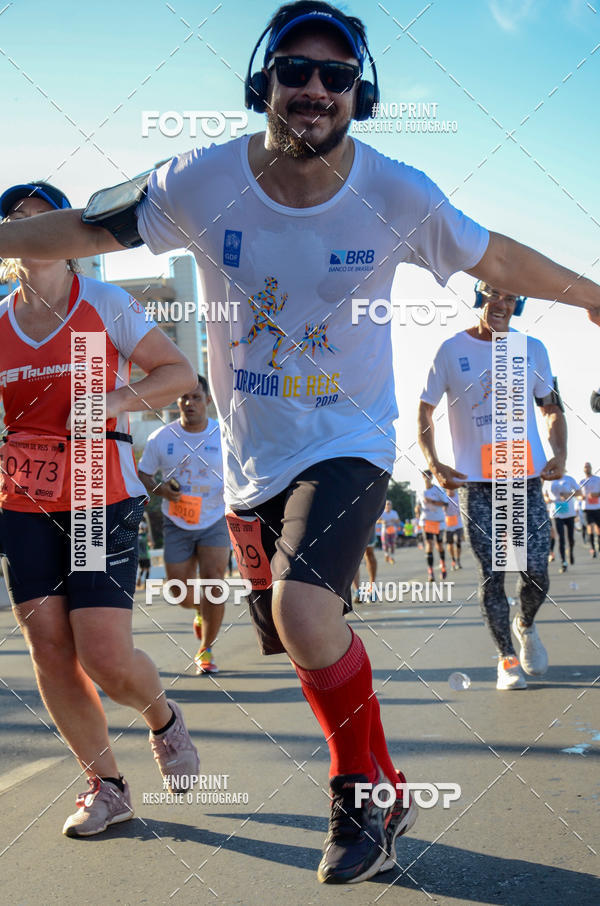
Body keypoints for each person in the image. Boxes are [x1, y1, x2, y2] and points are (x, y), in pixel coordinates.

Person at [3, 0, 600, 883]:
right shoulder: (196, 181)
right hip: (252, 460)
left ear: (360, 94)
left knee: (303, 611)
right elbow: (90, 227)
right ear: (264, 83)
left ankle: (357, 795)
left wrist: (591, 293)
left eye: (337, 76)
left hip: (351, 438)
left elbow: (497, 262)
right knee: (296, 635)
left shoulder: (398, 192)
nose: (316, 89)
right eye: (296, 70)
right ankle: (388, 785)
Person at [0, 181, 199, 838]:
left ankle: (163, 718)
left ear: (67, 236)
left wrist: (113, 403)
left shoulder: (105, 304)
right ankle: (107, 786)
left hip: (96, 489)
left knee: (105, 658)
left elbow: (178, 376)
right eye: (14, 222)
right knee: (51, 651)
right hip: (23, 499)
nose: (29, 231)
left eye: (42, 220)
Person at [419, 280, 568, 691]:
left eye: (509, 297)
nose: (499, 303)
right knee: (494, 573)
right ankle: (506, 660)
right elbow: (425, 409)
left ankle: (525, 623)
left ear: (517, 304)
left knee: (535, 570)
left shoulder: (531, 348)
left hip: (522, 477)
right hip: (477, 482)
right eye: (492, 294)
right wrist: (434, 462)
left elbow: (552, 406)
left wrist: (560, 451)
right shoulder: (452, 350)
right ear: (478, 297)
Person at [138, 377, 229, 674]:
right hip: (177, 521)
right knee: (178, 592)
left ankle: (206, 649)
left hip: (215, 517)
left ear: (208, 400)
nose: (189, 403)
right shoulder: (161, 438)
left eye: (196, 397)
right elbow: (144, 474)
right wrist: (162, 490)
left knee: (214, 581)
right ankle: (200, 611)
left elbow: (243, 470)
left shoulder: (224, 435)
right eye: (183, 398)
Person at [415, 470, 448, 580]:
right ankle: (431, 572)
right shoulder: (420, 490)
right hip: (426, 521)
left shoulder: (438, 490)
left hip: (438, 521)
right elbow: (418, 504)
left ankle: (443, 565)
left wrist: (432, 502)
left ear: (432, 477)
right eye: (424, 475)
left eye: (429, 476)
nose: (426, 477)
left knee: (439, 545)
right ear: (422, 477)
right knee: (429, 545)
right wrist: (417, 509)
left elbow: (445, 504)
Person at [548, 474, 579, 572]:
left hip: (569, 513)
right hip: (557, 513)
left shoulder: (569, 479)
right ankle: (563, 562)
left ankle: (570, 552)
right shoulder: (549, 481)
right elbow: (544, 495)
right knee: (561, 538)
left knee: (570, 538)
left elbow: (580, 492)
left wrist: (569, 494)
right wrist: (548, 499)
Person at [578, 462, 600, 558]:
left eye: (588, 467)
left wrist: (596, 494)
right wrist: (581, 497)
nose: (587, 468)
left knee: (598, 528)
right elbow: (577, 495)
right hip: (586, 508)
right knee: (589, 527)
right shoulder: (582, 482)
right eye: (585, 467)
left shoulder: (597, 479)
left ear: (591, 468)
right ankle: (592, 548)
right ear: (583, 469)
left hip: (597, 507)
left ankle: (598, 545)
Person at [352, 525, 378, 603]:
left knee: (369, 553)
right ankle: (357, 592)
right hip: (349, 520)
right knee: (353, 555)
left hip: (366, 517)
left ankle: (372, 588)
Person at [445, 488, 464, 570]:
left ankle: (458, 560)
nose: (450, 490)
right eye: (448, 489)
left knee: (458, 541)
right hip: (448, 524)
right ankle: (453, 559)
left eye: (451, 488)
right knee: (450, 544)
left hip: (458, 523)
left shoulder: (458, 497)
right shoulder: (444, 498)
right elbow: (441, 510)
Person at [379, 499, 400, 564]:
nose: (388, 505)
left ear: (391, 506)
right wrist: (382, 521)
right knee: (386, 544)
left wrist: (395, 520)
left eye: (389, 504)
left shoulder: (394, 513)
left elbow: (398, 521)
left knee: (392, 544)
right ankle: (386, 555)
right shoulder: (382, 513)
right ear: (384, 505)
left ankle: (392, 557)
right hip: (384, 530)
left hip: (392, 530)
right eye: (387, 504)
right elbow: (377, 521)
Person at [136, 521, 152, 589]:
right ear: (145, 528)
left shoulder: (137, 536)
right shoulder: (146, 535)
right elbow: (151, 544)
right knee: (148, 570)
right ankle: (146, 585)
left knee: (142, 569)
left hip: (140, 556)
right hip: (146, 555)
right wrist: (149, 545)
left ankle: (139, 579)